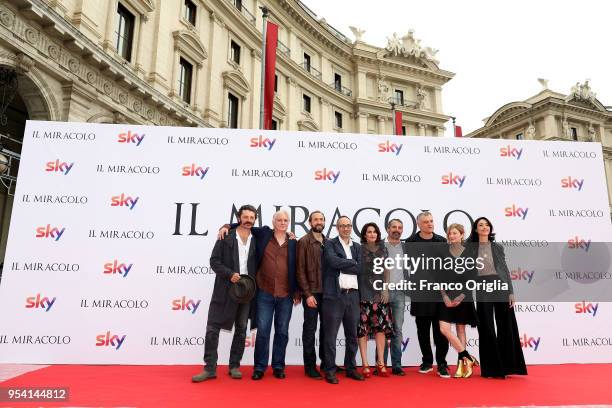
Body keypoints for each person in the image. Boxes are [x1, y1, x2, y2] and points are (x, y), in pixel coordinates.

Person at [219, 210, 299, 380]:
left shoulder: (293, 242)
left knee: (282, 332)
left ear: (289, 222)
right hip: (264, 293)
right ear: (273, 221)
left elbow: (296, 269)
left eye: (286, 220)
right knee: (263, 332)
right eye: (279, 220)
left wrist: (296, 292)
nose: (283, 223)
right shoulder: (263, 233)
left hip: (286, 295)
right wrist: (226, 226)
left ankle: (278, 366)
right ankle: (260, 367)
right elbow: (243, 224)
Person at [192, 205, 258, 382]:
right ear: (238, 218)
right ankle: (209, 368)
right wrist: (230, 274)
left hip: (247, 291)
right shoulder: (226, 236)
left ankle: (234, 366)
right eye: (245, 217)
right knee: (213, 327)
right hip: (225, 289)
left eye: (252, 217)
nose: (248, 220)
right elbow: (214, 261)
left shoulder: (257, 238)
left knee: (242, 328)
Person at [467, 217, 527, 379]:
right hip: (482, 287)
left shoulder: (497, 247)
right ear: (475, 229)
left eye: (487, 225)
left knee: (506, 325)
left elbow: (505, 270)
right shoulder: (470, 248)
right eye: (481, 225)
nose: (484, 227)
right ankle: (492, 369)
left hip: (500, 286)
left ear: (490, 228)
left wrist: (511, 292)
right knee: (486, 326)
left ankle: (508, 366)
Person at [405, 211, 450, 378]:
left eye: (431, 221)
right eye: (426, 222)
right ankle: (427, 361)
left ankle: (442, 364)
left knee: (440, 331)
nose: (430, 224)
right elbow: (408, 268)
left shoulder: (441, 241)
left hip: (440, 294)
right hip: (420, 293)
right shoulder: (410, 242)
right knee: (422, 330)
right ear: (419, 224)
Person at [321, 216, 364, 384]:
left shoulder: (358, 247)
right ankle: (330, 369)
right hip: (334, 296)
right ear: (337, 228)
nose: (346, 228)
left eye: (348, 225)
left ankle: (351, 368)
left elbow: (361, 268)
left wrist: (345, 263)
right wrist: (351, 263)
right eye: (342, 226)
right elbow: (332, 261)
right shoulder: (330, 244)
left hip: (353, 295)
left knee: (352, 335)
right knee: (330, 335)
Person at [436, 223, 478, 378]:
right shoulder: (442, 252)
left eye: (454, 233)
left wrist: (460, 297)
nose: (451, 236)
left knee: (461, 329)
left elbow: (472, 278)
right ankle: (467, 356)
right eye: (449, 234)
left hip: (464, 296)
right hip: (445, 297)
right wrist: (445, 296)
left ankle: (463, 365)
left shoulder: (470, 253)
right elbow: (438, 277)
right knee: (444, 329)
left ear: (462, 235)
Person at [357, 222, 393, 378]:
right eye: (368, 232)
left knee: (380, 329)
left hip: (380, 294)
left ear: (378, 234)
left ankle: (381, 364)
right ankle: (365, 364)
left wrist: (385, 288)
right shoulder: (358, 249)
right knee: (363, 329)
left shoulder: (383, 249)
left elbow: (387, 270)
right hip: (363, 292)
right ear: (364, 235)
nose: (372, 234)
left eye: (374, 232)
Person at [296, 210, 327, 379]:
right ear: (310, 222)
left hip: (328, 294)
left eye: (321, 219)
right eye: (316, 219)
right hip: (312, 293)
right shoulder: (304, 242)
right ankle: (309, 366)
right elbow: (300, 271)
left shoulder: (328, 242)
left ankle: (326, 363)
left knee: (326, 330)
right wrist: (307, 294)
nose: (319, 222)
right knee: (310, 329)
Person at [383, 219, 410, 376]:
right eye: (394, 227)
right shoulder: (380, 245)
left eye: (400, 227)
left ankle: (396, 365)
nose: (397, 230)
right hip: (382, 292)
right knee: (381, 329)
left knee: (397, 329)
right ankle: (382, 363)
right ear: (388, 229)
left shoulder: (406, 247)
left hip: (400, 292)